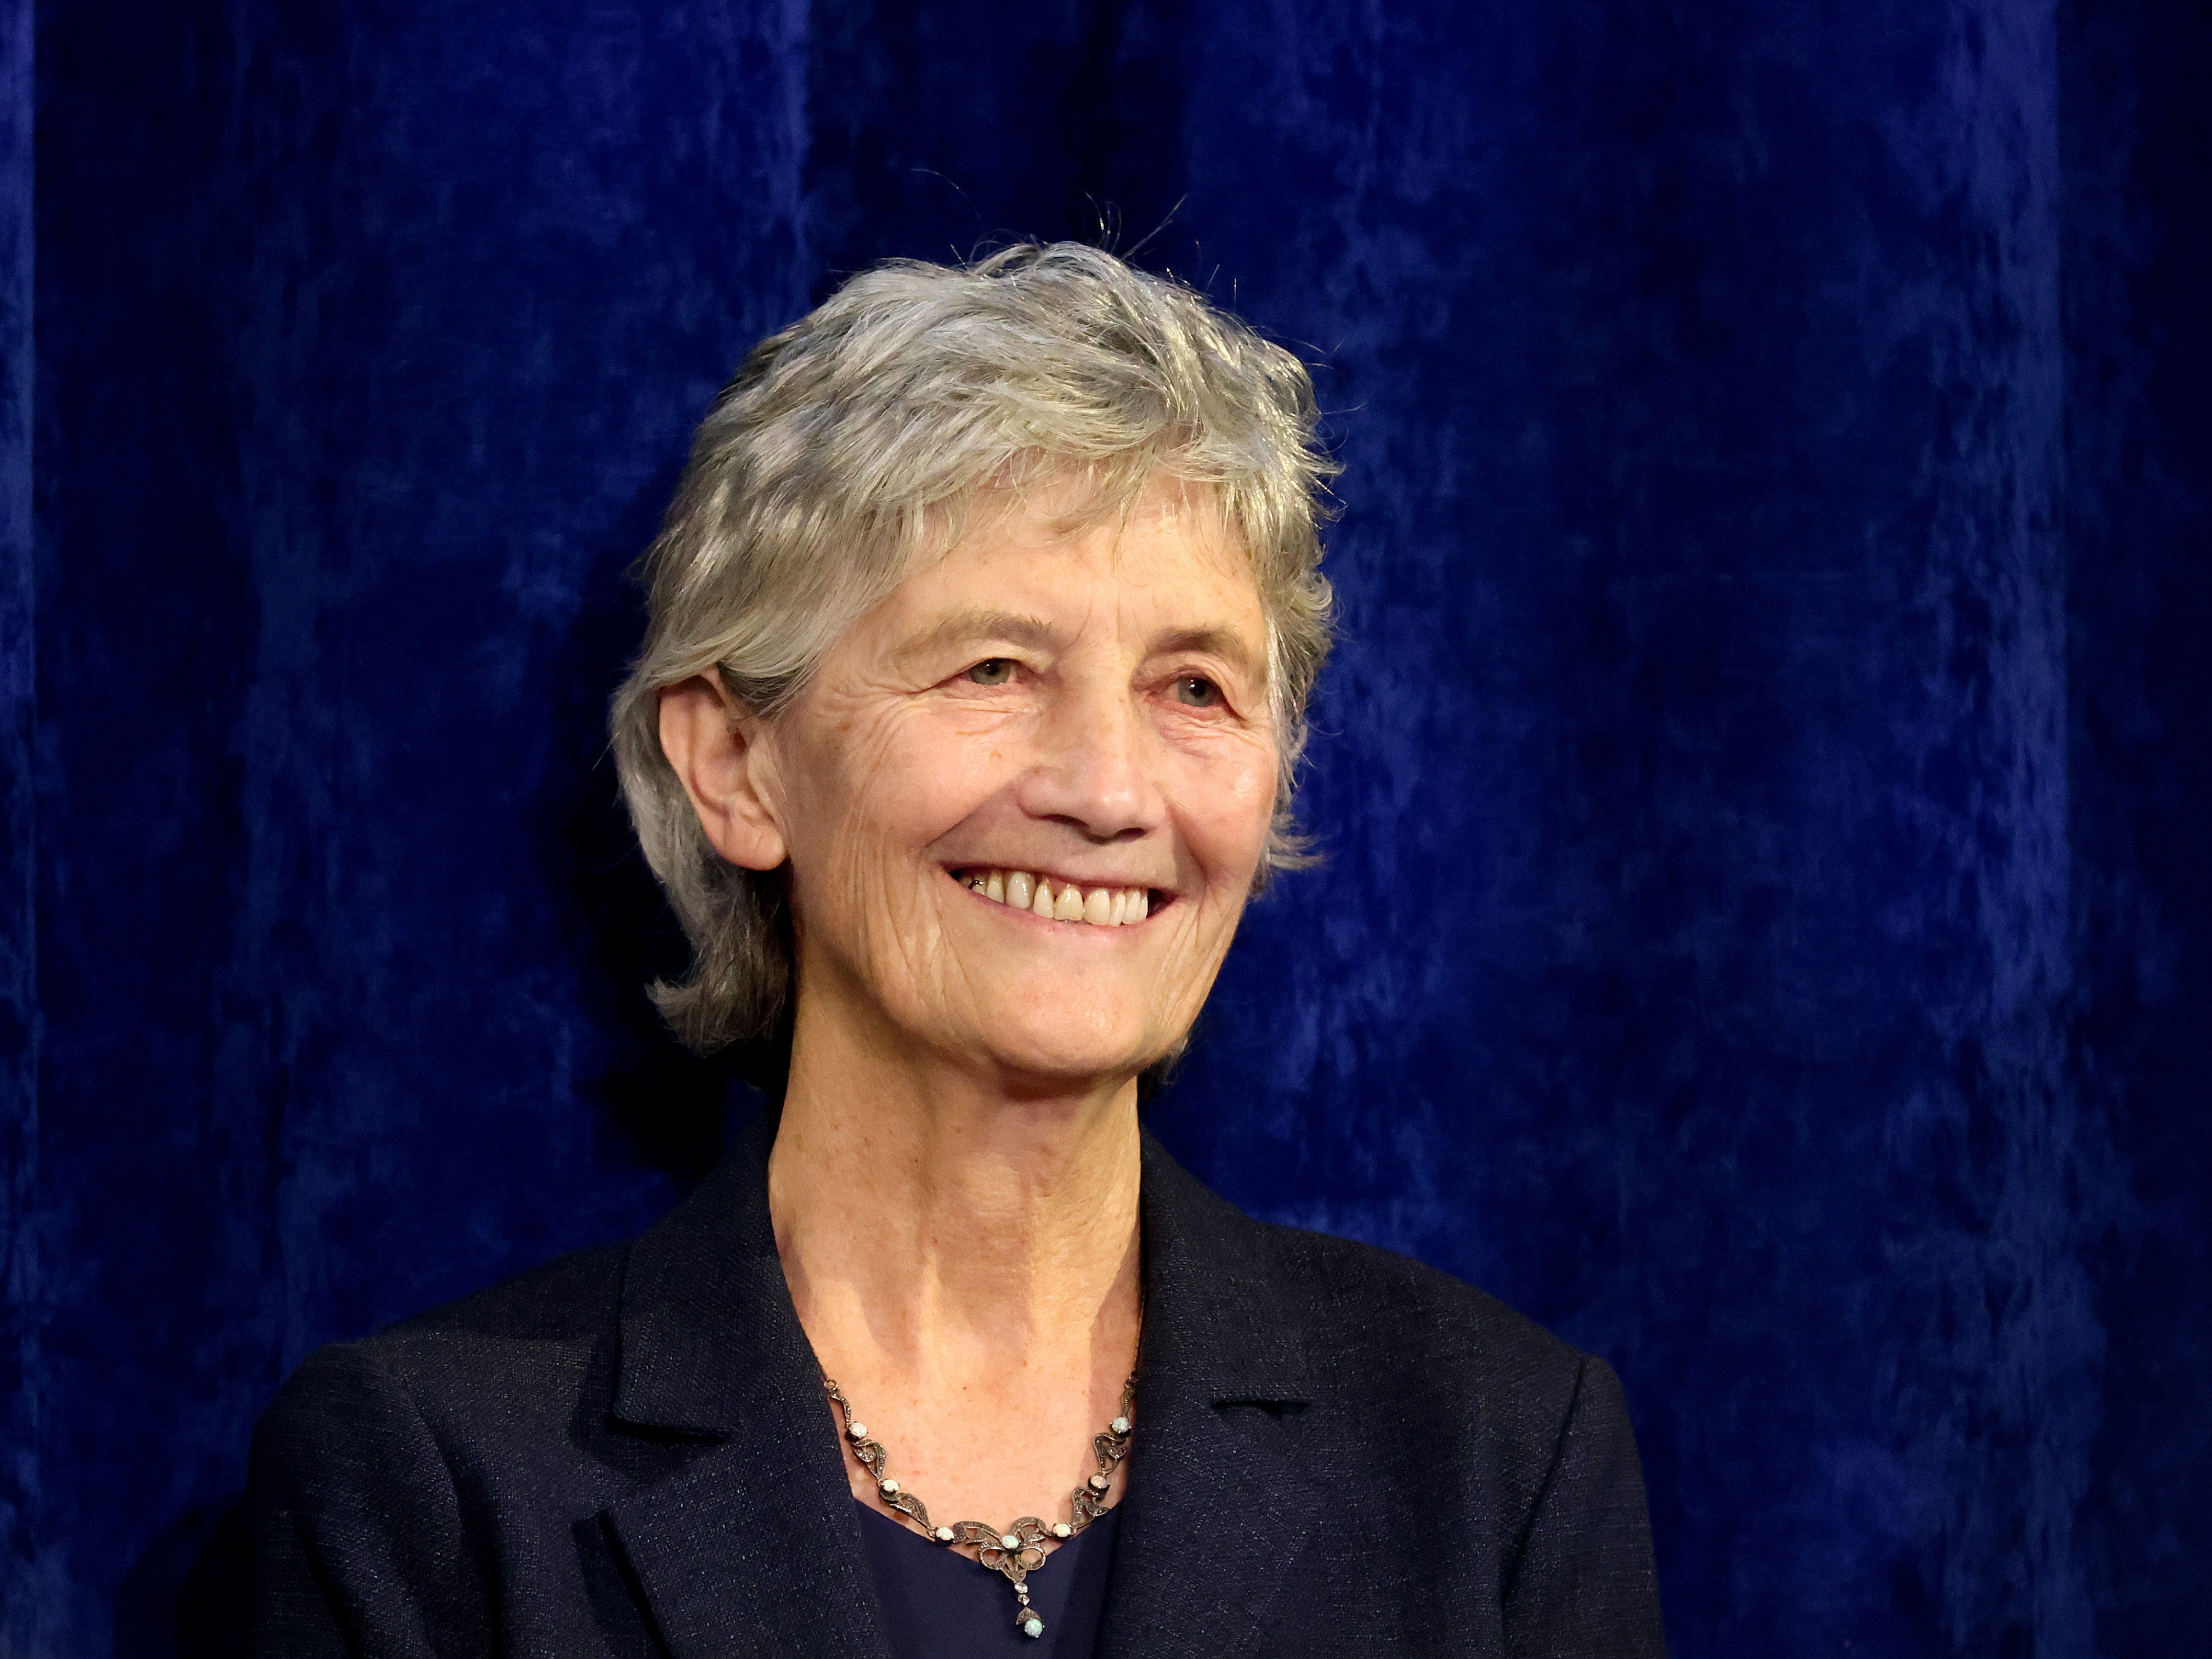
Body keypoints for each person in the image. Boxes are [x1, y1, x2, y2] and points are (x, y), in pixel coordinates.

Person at [245, 243, 1666, 1657]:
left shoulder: (1494, 1461)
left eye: (1193, 687)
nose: (1108, 790)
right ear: (736, 763)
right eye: (994, 668)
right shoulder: (428, 1492)